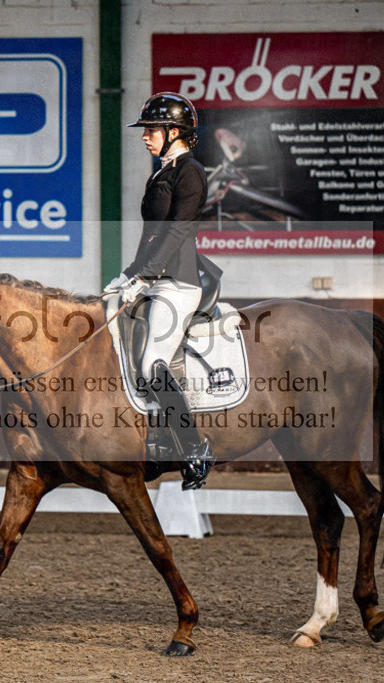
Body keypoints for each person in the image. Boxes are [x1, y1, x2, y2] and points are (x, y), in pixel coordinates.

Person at [105, 92, 222, 490]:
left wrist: (147, 276)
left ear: (175, 132)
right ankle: (150, 439)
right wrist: (128, 275)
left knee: (152, 362)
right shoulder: (162, 171)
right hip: (154, 277)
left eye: (152, 130)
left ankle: (193, 448)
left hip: (178, 282)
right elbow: (150, 236)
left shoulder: (189, 171)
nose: (145, 137)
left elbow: (177, 232)